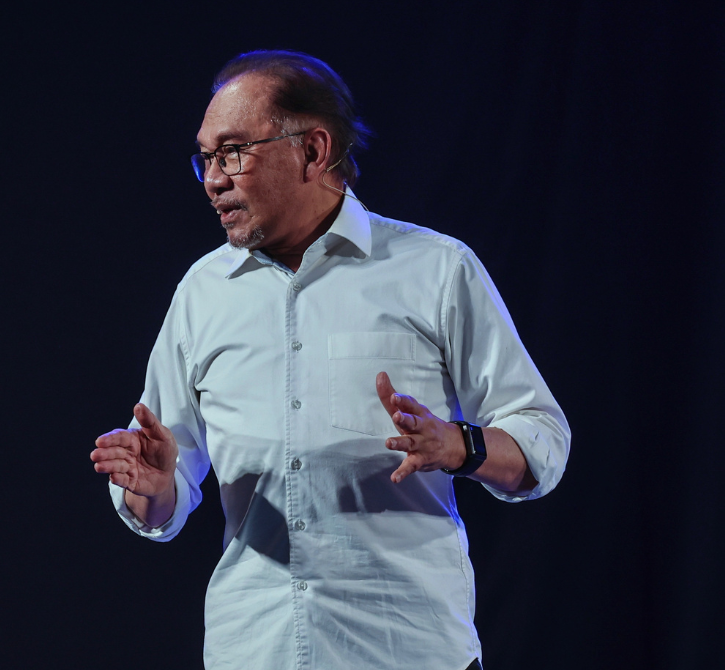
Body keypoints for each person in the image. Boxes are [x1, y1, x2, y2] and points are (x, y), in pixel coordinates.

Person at [91, 50, 570, 670]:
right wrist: (154, 490)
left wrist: (461, 446)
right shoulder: (201, 293)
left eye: (234, 152)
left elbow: (542, 438)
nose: (213, 179)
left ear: (314, 152)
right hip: (253, 652)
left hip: (406, 654)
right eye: (205, 158)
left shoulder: (436, 271)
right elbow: (166, 488)